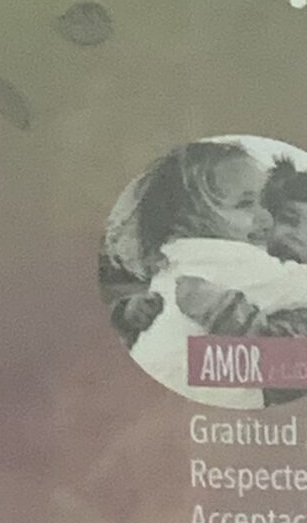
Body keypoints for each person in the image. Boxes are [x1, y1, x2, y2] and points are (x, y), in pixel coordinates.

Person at [122, 144, 307, 405]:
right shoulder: (227, 257)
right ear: (189, 218)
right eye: (246, 204)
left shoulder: (177, 255)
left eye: (262, 203)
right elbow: (297, 282)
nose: (265, 218)